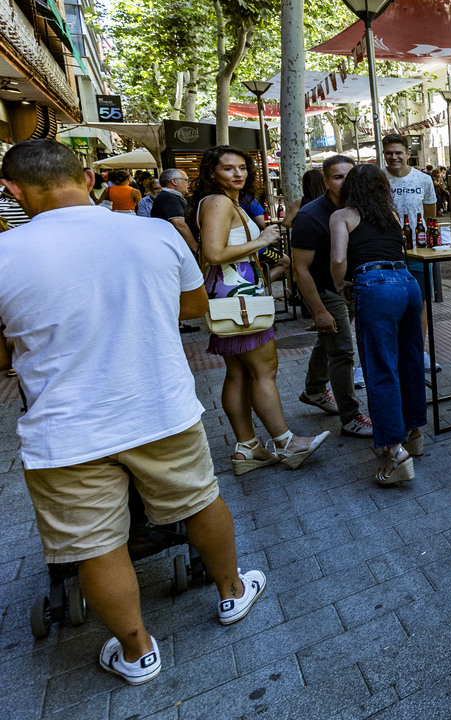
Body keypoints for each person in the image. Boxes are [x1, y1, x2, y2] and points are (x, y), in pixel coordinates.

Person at [0, 140, 267, 686]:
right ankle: (231, 592)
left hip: (65, 427)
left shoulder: (5, 254)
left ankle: (137, 650)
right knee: (199, 499)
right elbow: (194, 306)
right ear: (89, 177)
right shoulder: (154, 232)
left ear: (12, 190)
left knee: (94, 543)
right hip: (160, 405)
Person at [190, 145, 330, 473]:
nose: (238, 173)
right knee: (264, 371)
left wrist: (270, 261)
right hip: (239, 301)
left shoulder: (220, 203)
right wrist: (263, 240)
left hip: (231, 297)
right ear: (212, 173)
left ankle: (247, 448)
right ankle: (286, 442)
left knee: (238, 373)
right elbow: (214, 252)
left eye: (242, 167)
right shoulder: (220, 203)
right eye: (228, 168)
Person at [329, 165, 426, 486]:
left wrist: (340, 284)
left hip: (376, 284)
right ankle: (413, 433)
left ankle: (395, 453)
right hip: (408, 282)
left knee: (380, 368)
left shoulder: (342, 216)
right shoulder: (392, 215)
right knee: (410, 361)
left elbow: (339, 259)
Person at [290, 155, 373, 437]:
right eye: (338, 177)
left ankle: (314, 390)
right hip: (324, 290)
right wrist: (319, 310)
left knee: (329, 339)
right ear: (325, 181)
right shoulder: (310, 215)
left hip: (349, 287)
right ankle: (351, 417)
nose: (345, 181)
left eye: (349, 175)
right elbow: (300, 269)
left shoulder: (359, 207)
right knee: (342, 351)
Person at [382, 134, 439, 373]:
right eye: (389, 153)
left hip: (418, 250)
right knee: (387, 304)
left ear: (407, 153)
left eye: (398, 152)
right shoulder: (377, 179)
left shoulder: (423, 179)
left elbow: (430, 214)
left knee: (421, 302)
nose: (394, 157)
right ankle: (386, 357)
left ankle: (420, 352)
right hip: (385, 250)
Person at [151, 169, 198, 254]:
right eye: (186, 180)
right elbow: (179, 225)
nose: (189, 184)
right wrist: (196, 248)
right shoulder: (168, 197)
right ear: (174, 181)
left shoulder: (171, 196)